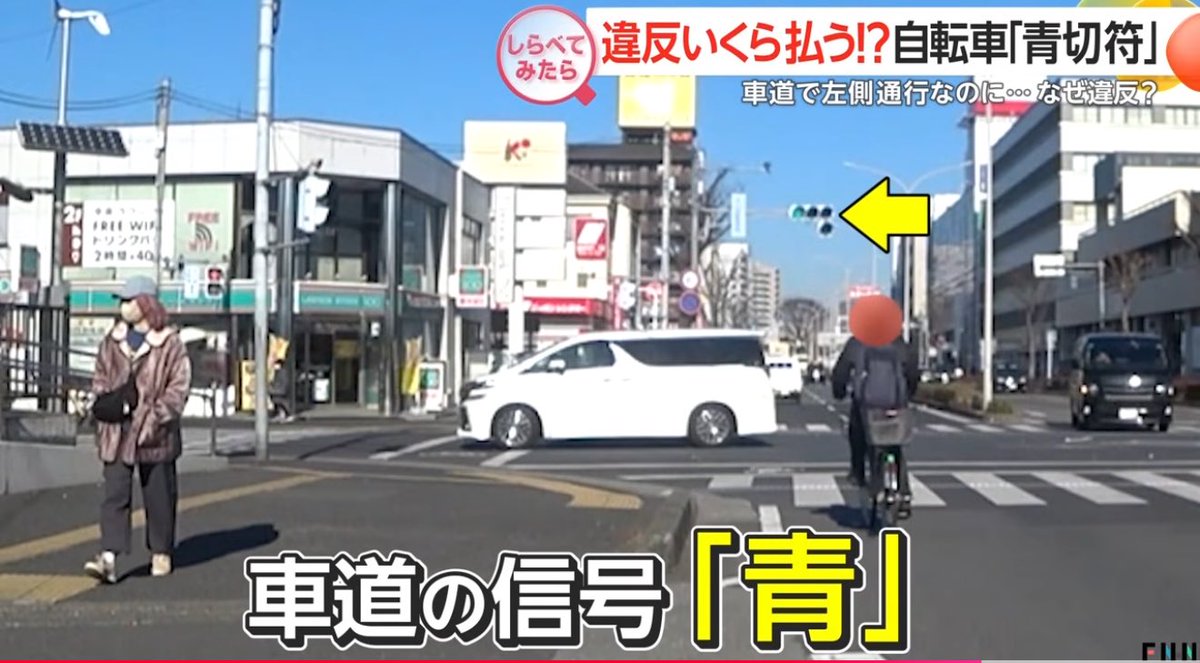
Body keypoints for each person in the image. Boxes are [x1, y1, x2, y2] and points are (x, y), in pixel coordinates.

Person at [84, 275, 193, 584]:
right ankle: (109, 556)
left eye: (128, 300)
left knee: (159, 494)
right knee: (115, 494)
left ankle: (161, 551)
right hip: (117, 430)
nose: (123, 306)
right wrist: (107, 401)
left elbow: (178, 387)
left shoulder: (170, 343)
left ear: (146, 303)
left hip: (155, 433)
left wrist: (156, 416)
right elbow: (100, 376)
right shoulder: (112, 340)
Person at [830, 333, 920, 502]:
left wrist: (838, 392)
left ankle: (858, 473)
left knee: (857, 432)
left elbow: (841, 373)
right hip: (896, 404)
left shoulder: (857, 342)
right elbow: (913, 372)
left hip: (867, 405)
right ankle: (904, 491)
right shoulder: (898, 341)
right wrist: (909, 393)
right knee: (895, 442)